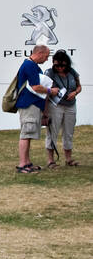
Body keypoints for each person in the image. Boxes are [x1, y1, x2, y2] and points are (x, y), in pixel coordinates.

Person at [14, 45, 50, 174]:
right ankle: (22, 164)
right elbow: (36, 87)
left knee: (28, 134)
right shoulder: (29, 65)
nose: (46, 59)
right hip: (28, 104)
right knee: (26, 133)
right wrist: (51, 91)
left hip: (32, 105)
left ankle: (27, 162)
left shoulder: (32, 65)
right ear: (39, 53)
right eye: (46, 56)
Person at [44, 50, 81, 167]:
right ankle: (50, 160)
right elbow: (44, 91)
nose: (60, 68)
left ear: (67, 64)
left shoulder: (72, 72)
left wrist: (75, 92)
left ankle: (68, 159)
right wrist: (44, 111)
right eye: (57, 65)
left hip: (70, 106)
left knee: (69, 132)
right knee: (52, 132)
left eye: (63, 65)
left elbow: (79, 86)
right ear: (53, 63)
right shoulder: (49, 73)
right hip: (55, 106)